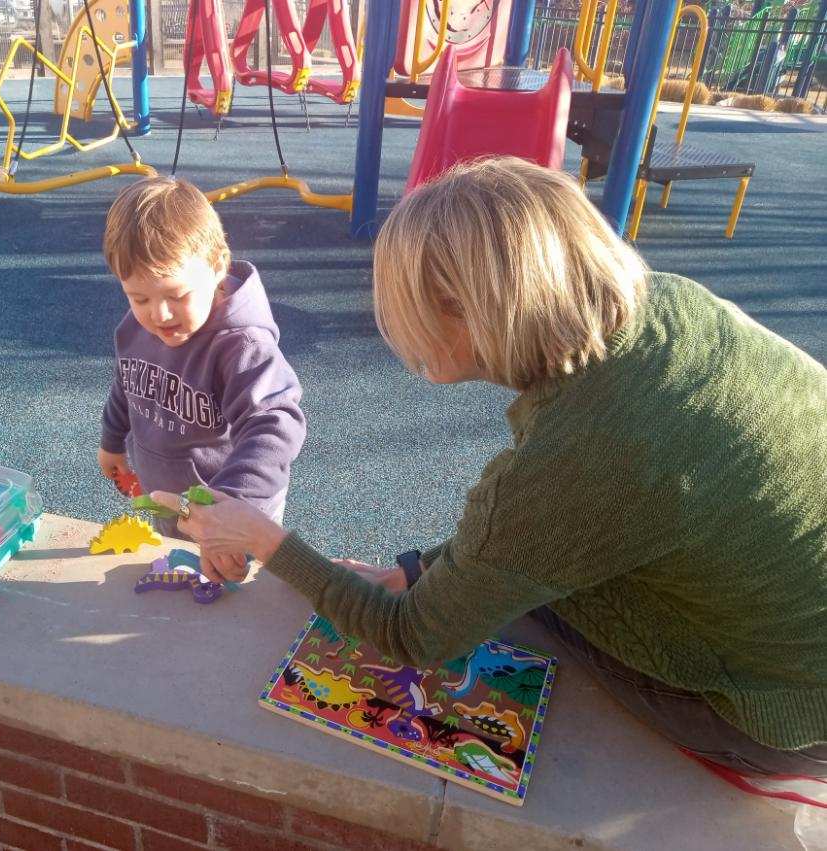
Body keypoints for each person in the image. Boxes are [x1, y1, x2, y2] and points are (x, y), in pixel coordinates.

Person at [148, 158, 827, 781]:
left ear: (466, 312)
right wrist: (417, 568)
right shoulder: (666, 303)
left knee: (522, 610)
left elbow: (414, 635)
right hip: (795, 627)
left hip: (781, 715)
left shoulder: (572, 456)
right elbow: (567, 519)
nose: (396, 328)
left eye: (406, 308)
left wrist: (264, 537)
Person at [98, 177, 306, 541]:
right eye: (139, 298)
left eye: (176, 295)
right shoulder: (136, 327)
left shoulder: (240, 344)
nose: (159, 314)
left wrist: (233, 509)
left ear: (217, 267)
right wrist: (112, 440)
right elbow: (128, 382)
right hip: (170, 498)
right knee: (181, 582)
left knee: (238, 592)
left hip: (236, 507)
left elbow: (274, 423)